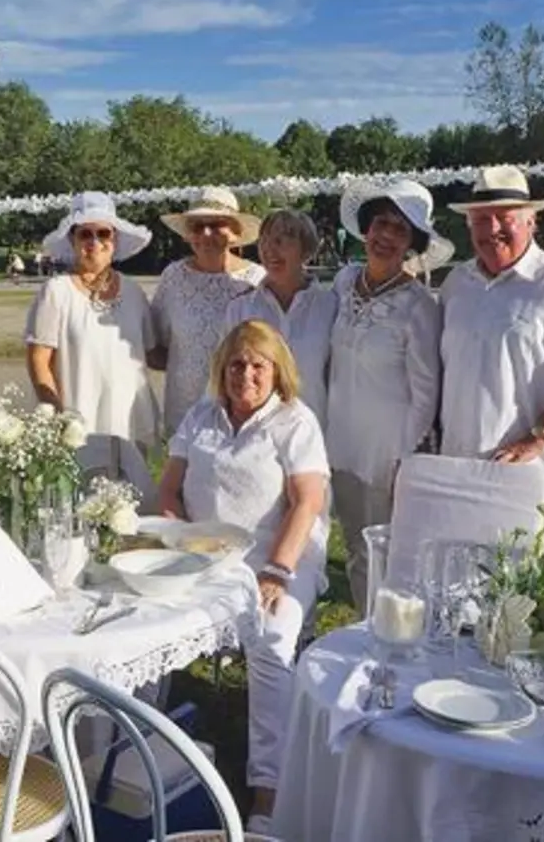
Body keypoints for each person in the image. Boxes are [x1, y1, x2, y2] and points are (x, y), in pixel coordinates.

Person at [156, 320, 329, 833]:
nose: (246, 374)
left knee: (271, 642)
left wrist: (278, 570)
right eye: (236, 364)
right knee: (149, 620)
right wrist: (179, 545)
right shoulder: (201, 415)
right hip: (204, 554)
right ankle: (140, 748)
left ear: (278, 371)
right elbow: (169, 492)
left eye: (258, 365)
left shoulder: (295, 422)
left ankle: (268, 795)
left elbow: (308, 502)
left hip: (280, 554)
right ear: (222, 370)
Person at [439, 165, 544, 559]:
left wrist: (538, 438)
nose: (492, 228)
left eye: (506, 217)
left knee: (520, 586)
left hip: (523, 471)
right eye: (481, 219)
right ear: (468, 226)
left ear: (531, 220)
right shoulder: (456, 285)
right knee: (456, 581)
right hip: (456, 466)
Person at [327, 180, 449, 613]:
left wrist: (404, 459)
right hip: (339, 441)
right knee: (356, 549)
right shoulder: (342, 285)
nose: (386, 236)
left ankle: (392, 641)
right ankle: (364, 634)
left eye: (400, 229)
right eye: (381, 223)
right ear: (365, 228)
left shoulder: (419, 306)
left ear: (412, 242)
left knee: (390, 555)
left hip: (387, 452)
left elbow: (426, 393)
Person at [24, 191, 162, 504]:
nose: (95, 241)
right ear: (72, 240)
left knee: (129, 515)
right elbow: (39, 360)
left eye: (104, 233)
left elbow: (152, 352)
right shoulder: (56, 292)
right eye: (85, 233)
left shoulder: (134, 292)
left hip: (128, 422)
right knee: (79, 513)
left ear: (115, 239)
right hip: (79, 423)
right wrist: (56, 415)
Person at [150, 186, 266, 437]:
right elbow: (155, 345)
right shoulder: (173, 278)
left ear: (235, 232)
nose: (206, 233)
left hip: (243, 411)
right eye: (197, 226)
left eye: (216, 224)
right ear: (187, 235)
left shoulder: (258, 280)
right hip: (185, 413)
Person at [222, 209, 336, 421]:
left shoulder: (330, 306)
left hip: (314, 433)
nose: (270, 250)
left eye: (281, 241)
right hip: (256, 436)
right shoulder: (240, 309)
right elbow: (226, 376)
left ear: (306, 251)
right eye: (264, 241)